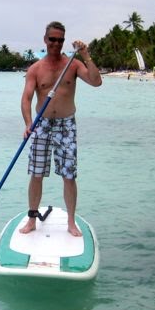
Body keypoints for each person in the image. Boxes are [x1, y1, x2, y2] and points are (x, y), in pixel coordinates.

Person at [19, 21, 102, 236]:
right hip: (41, 124)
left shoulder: (72, 65)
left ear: (64, 41)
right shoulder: (35, 69)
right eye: (52, 39)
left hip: (66, 125)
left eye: (60, 40)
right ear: (45, 40)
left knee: (69, 176)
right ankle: (32, 219)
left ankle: (71, 222)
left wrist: (86, 54)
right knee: (36, 174)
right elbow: (26, 99)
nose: (56, 43)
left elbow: (96, 82)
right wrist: (29, 124)